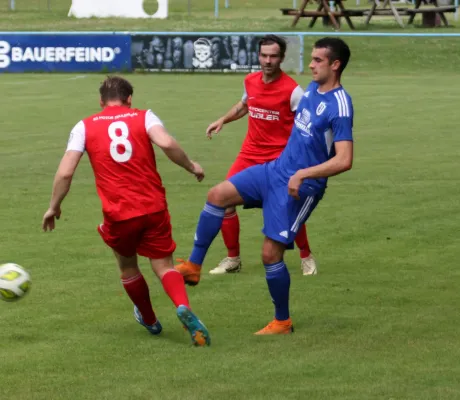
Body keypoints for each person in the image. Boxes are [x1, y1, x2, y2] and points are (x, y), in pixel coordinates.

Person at [176, 37, 354, 335]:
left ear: (335, 65)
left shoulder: (339, 104)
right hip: (274, 170)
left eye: (318, 60)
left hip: (302, 186)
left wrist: (303, 174)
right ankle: (194, 267)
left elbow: (345, 159)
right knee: (217, 195)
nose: (310, 64)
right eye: (311, 59)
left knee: (270, 255)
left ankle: (282, 321)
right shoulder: (312, 89)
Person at [41, 76, 211, 346]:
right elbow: (166, 143)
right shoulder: (144, 116)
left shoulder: (84, 126)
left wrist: (54, 206)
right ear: (130, 99)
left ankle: (150, 319)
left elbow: (65, 172)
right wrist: (191, 166)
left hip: (119, 213)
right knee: (164, 265)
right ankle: (182, 305)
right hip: (154, 207)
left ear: (100, 101)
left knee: (128, 266)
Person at [204, 34, 318, 276]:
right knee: (224, 202)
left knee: (289, 209)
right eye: (264, 55)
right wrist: (222, 119)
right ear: (258, 56)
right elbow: (245, 105)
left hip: (279, 160)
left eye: (273, 56)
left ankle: (306, 256)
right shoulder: (250, 81)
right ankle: (232, 258)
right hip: (249, 155)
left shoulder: (293, 91)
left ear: (281, 58)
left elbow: (308, 124)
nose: (268, 60)